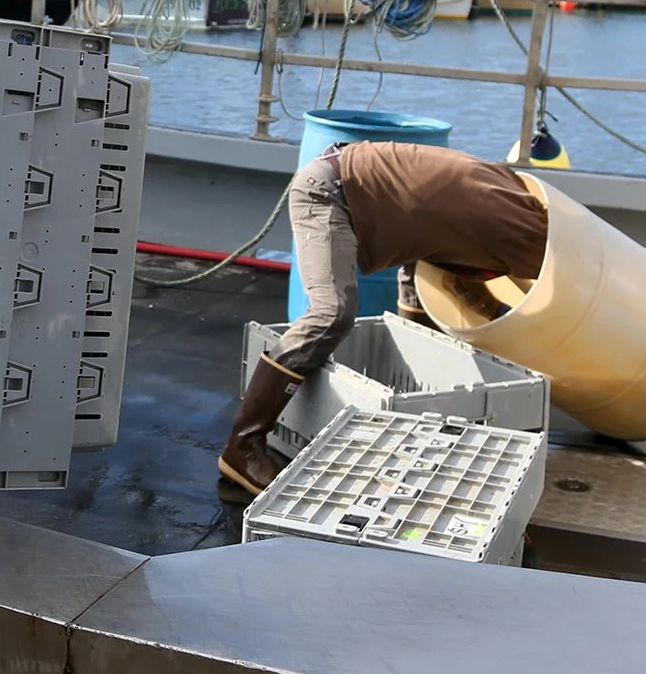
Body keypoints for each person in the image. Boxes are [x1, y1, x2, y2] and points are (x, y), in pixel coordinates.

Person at [216, 141, 549, 499]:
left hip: (379, 196)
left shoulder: (506, 199)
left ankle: (409, 413)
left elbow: (444, 265)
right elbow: (552, 290)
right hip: (331, 192)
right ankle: (244, 445)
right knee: (331, 314)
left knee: (417, 291)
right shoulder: (524, 232)